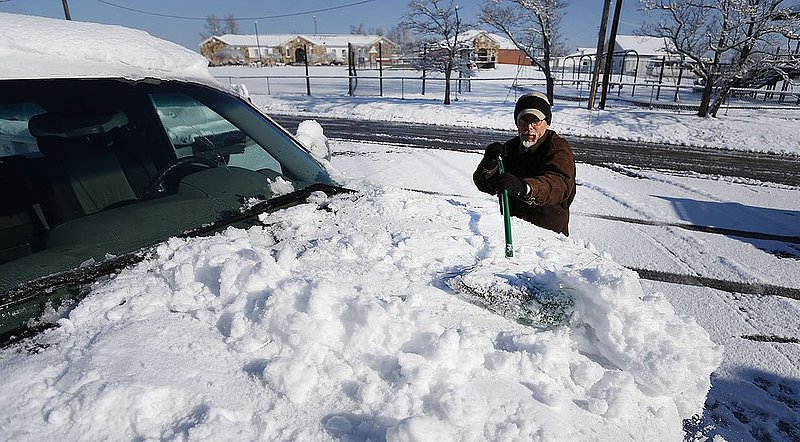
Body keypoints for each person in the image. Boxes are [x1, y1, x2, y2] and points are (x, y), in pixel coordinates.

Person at [473, 92, 576, 236]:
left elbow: (559, 184)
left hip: (547, 238)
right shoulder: (510, 148)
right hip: (514, 230)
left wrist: (525, 188)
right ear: (517, 123)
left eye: (535, 121)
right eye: (524, 120)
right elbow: (485, 185)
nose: (529, 127)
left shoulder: (558, 148)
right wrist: (488, 165)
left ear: (546, 122)